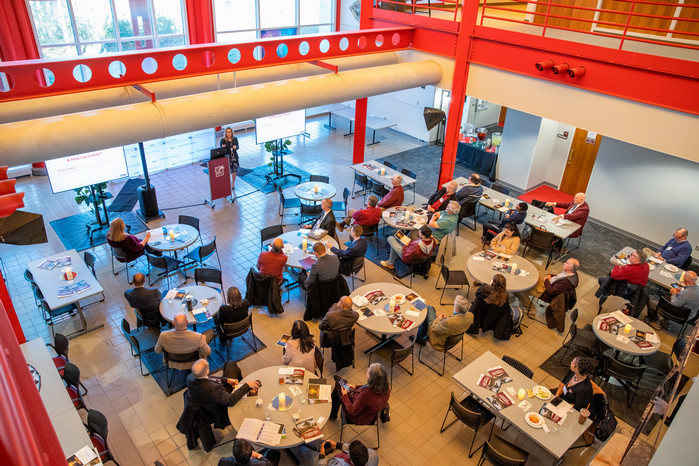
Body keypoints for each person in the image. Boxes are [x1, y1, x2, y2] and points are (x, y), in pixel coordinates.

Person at [187, 359, 259, 417]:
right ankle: (242, 386)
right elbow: (230, 401)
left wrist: (226, 380)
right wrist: (247, 386)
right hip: (224, 396)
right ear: (207, 371)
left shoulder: (191, 377)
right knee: (234, 368)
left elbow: (211, 379)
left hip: (218, 388)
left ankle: (240, 383)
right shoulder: (212, 389)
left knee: (230, 363)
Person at [295, 439, 378, 466]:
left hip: (326, 463)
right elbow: (351, 448)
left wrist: (321, 456)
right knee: (321, 443)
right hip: (336, 459)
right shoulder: (372, 454)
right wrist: (338, 445)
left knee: (307, 452)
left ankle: (298, 448)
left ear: (351, 460)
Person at [220, 127, 240, 191]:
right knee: (227, 172)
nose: (228, 133)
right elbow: (221, 150)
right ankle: (226, 184)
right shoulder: (223, 140)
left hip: (234, 157)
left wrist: (236, 147)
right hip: (227, 158)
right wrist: (223, 147)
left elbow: (238, 147)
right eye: (227, 132)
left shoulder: (235, 139)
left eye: (229, 132)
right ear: (225, 133)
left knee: (234, 171)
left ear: (232, 132)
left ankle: (233, 183)